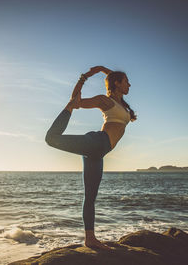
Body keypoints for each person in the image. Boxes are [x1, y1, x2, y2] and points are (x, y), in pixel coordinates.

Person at [45, 66, 137, 250]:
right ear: (118, 84)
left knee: (90, 197)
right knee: (51, 138)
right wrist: (84, 77)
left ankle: (90, 239)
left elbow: (112, 78)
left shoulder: (121, 103)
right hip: (96, 142)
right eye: (126, 81)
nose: (129, 84)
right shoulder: (105, 100)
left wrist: (102, 69)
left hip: (98, 152)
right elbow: (77, 100)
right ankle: (67, 111)